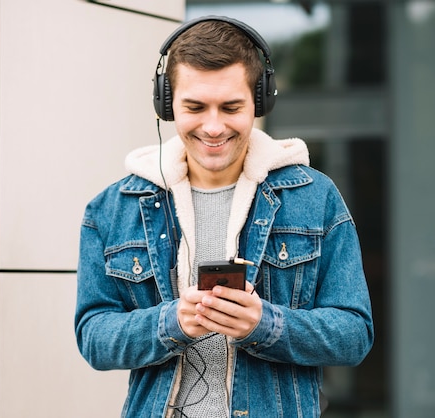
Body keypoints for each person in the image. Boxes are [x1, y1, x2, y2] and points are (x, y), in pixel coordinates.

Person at [75, 15, 374, 418]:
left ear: (260, 100)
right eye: (195, 107)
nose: (213, 127)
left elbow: (354, 334)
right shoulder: (112, 209)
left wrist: (265, 324)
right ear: (167, 105)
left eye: (231, 107)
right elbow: (94, 337)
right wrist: (170, 322)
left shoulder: (315, 198)